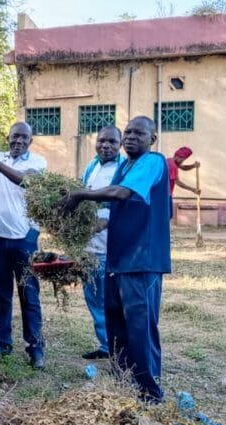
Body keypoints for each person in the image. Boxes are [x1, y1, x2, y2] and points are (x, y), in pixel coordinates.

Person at [59, 116, 171, 403]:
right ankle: (123, 383)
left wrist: (81, 195)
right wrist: (77, 226)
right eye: (129, 132)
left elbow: (120, 194)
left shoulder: (154, 161)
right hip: (117, 258)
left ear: (152, 139)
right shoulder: (125, 166)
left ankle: (149, 393)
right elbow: (112, 207)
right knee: (116, 324)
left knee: (140, 326)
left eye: (139, 133)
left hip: (142, 259)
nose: (132, 137)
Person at [0, 121, 47, 370]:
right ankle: (3, 342)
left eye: (23, 138)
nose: (18, 141)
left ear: (30, 141)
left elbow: (26, 182)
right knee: (2, 294)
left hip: (24, 238)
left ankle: (36, 348)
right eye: (14, 137)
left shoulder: (38, 163)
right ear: (7, 137)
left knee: (29, 294)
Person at [80, 126, 124, 360]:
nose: (105, 145)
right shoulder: (92, 166)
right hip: (87, 246)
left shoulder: (123, 168)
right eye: (101, 141)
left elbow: (117, 206)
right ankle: (106, 345)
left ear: (120, 145)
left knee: (109, 300)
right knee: (93, 297)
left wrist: (97, 225)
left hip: (108, 247)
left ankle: (117, 346)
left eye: (111, 142)